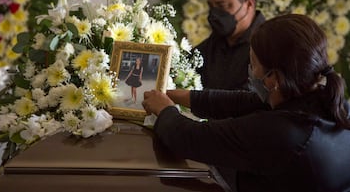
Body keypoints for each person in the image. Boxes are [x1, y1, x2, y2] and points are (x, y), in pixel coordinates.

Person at [142, 14, 350, 192]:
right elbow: (244, 102)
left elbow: (191, 139)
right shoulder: (328, 101)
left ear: (273, 78)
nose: (250, 70)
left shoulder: (282, 133)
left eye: (254, 64)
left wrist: (165, 110)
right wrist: (177, 95)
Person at [196, 0, 265, 90]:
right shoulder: (211, 45)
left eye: (222, 6)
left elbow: (251, 98)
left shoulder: (270, 45)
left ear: (249, 4)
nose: (215, 14)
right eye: (211, 7)